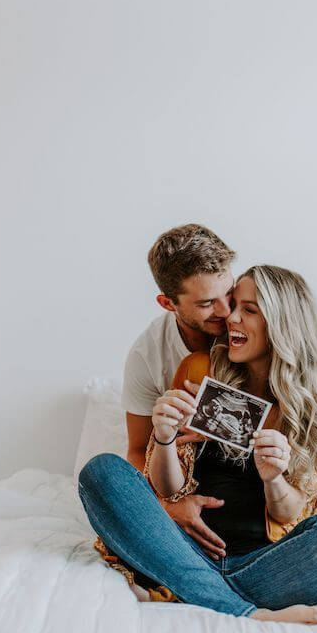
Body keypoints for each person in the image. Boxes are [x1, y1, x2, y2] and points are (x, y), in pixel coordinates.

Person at [79, 265, 317, 624]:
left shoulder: (316, 405)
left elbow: (288, 514)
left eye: (248, 310)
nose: (229, 318)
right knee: (102, 472)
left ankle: (190, 592)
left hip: (266, 563)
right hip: (183, 549)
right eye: (234, 305)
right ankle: (246, 613)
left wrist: (274, 478)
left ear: (281, 323)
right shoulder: (202, 370)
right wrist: (165, 437)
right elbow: (165, 487)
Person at [121, 222, 240, 559]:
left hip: (260, 481)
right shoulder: (148, 355)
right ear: (167, 302)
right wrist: (166, 508)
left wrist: (219, 428)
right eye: (205, 304)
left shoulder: (258, 320)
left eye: (228, 293)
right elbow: (138, 449)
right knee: (104, 475)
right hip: (183, 479)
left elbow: (314, 406)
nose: (226, 311)